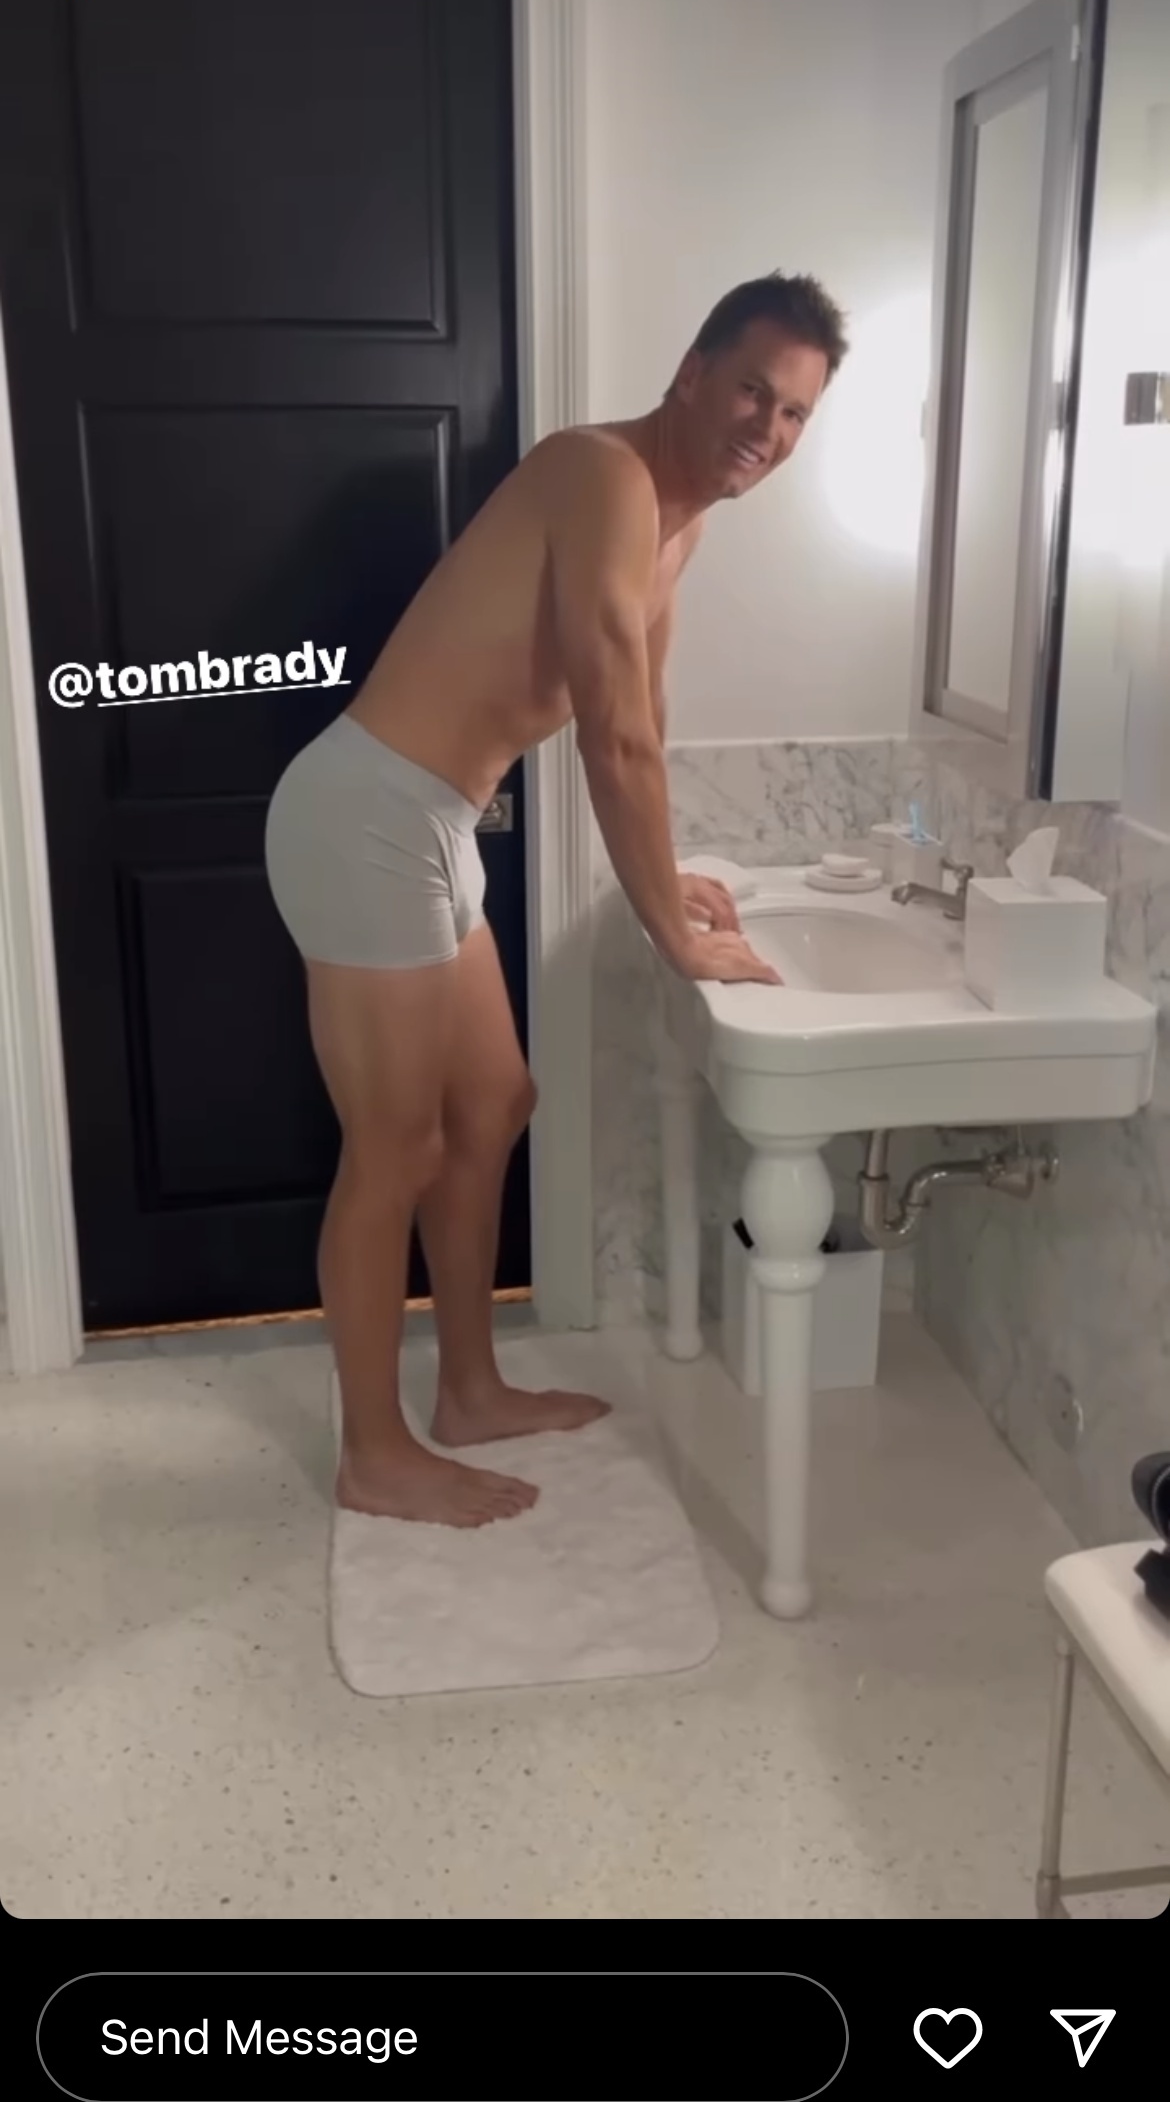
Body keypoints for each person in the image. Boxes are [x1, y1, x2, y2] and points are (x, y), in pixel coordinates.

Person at [265, 272, 848, 1528]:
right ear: (693, 371)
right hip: (364, 817)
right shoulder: (601, 475)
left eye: (796, 412)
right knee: (395, 1146)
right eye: (754, 390)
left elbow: (644, 718)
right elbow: (608, 732)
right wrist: (670, 934)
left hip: (428, 823)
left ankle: (469, 1389)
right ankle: (375, 1453)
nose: (768, 427)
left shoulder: (679, 529)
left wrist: (666, 877)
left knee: (495, 1103)